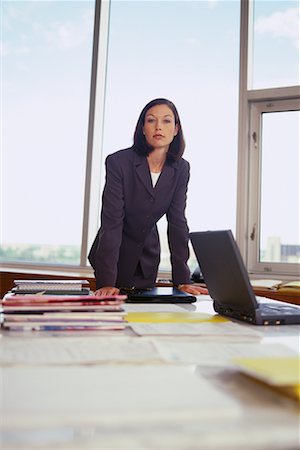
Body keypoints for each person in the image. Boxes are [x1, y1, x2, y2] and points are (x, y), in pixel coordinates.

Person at [88, 98, 208, 296]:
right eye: (151, 120)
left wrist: (182, 280)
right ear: (143, 128)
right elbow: (112, 223)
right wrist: (106, 281)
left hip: (147, 260)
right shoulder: (118, 162)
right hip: (112, 258)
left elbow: (177, 222)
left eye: (167, 121)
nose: (158, 127)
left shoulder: (181, 168)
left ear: (176, 129)